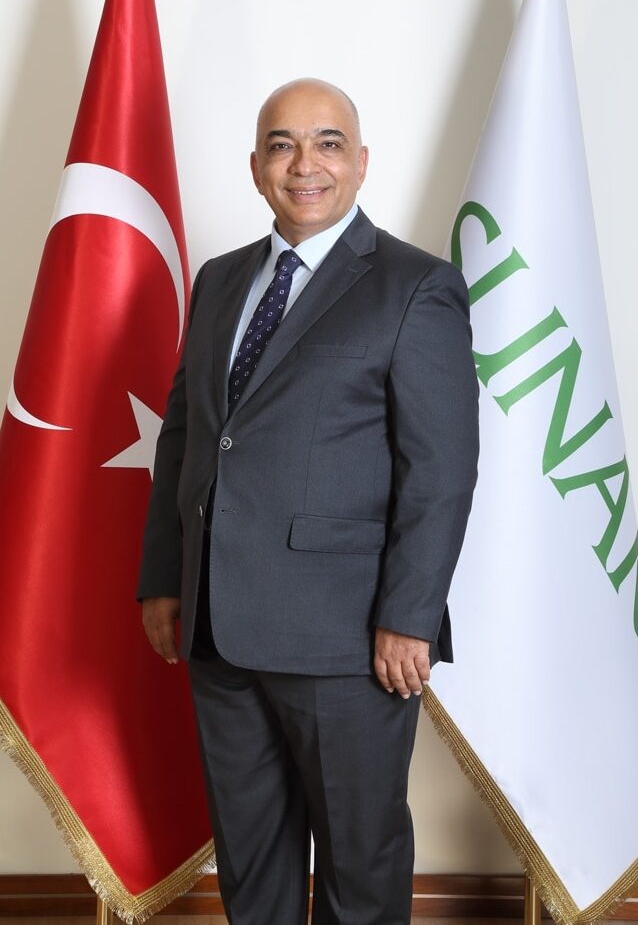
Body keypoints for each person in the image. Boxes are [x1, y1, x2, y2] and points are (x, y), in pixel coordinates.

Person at [136, 78, 479, 925]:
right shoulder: (218, 281)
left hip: (347, 640)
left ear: (360, 162)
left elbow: (440, 470)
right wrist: (166, 578)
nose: (304, 164)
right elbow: (184, 436)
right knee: (251, 865)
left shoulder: (415, 285)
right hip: (217, 626)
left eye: (327, 143)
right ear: (256, 167)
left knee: (360, 867)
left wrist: (409, 616)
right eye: (282, 145)